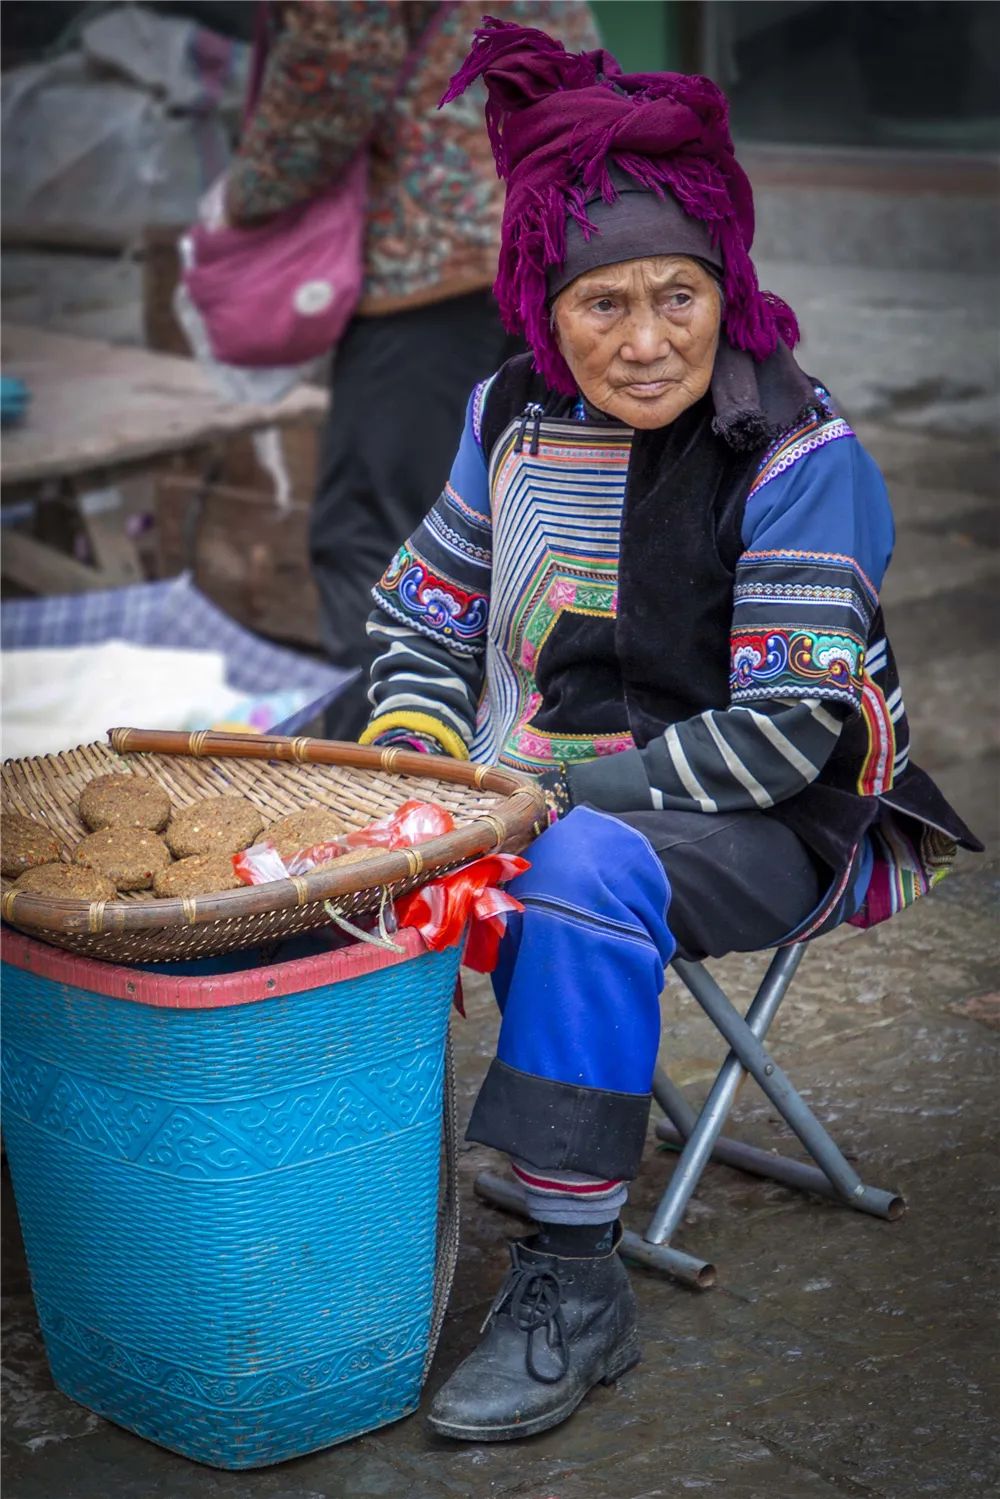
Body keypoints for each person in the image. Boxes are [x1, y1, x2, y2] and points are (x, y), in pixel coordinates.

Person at [358, 19, 981, 1442]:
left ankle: (575, 1280)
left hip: (769, 820)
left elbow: (788, 731)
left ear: (725, 287)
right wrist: (409, 763)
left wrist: (532, 788)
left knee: (576, 864)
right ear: (541, 308)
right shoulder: (506, 414)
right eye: (602, 306)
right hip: (541, 794)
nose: (646, 340)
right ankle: (346, 1180)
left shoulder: (797, 451)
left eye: (678, 295)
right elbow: (423, 612)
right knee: (344, 843)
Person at [224, 0, 600, 739]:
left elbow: (335, 68)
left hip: (433, 254)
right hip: (557, 225)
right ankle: (507, 745)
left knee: (378, 531)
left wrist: (244, 198)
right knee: (528, 512)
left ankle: (389, 779)